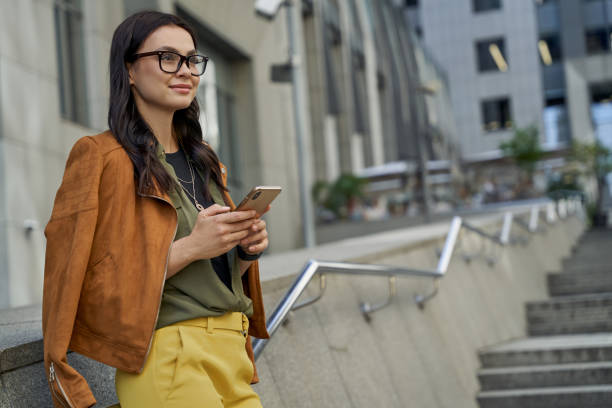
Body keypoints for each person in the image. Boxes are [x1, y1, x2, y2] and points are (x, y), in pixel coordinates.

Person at [42, 10, 270, 408]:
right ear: (129, 69)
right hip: (170, 357)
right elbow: (81, 280)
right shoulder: (101, 157)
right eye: (167, 57)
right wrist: (192, 246)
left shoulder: (206, 162)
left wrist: (243, 250)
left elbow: (211, 276)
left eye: (192, 59)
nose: (184, 70)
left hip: (231, 353)